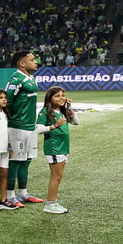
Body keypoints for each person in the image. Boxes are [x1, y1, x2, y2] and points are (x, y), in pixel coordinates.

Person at [5, 51, 45, 205]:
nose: (36, 62)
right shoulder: (16, 78)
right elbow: (6, 100)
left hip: (30, 126)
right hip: (17, 127)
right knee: (15, 161)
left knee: (27, 160)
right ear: (22, 63)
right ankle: (10, 195)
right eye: (32, 60)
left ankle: (23, 193)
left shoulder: (31, 77)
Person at [36, 86, 78, 214]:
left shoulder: (63, 111)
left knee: (59, 176)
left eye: (63, 95)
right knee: (56, 176)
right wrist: (54, 126)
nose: (61, 98)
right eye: (57, 96)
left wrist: (70, 107)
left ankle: (53, 202)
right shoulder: (45, 112)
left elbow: (76, 122)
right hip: (54, 147)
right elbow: (37, 129)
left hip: (63, 147)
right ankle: (50, 203)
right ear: (50, 98)